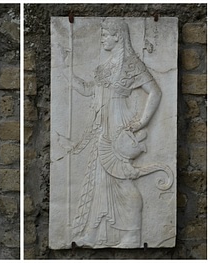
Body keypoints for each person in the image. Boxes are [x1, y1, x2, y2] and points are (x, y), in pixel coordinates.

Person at [66, 19, 163, 248]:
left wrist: (141, 122)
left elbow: (155, 92)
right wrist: (66, 70)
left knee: (124, 180)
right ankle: (94, 232)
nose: (102, 39)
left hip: (119, 127)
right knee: (101, 181)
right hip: (103, 129)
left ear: (117, 36)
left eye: (105, 35)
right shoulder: (106, 65)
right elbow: (90, 90)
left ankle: (132, 234)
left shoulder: (130, 63)